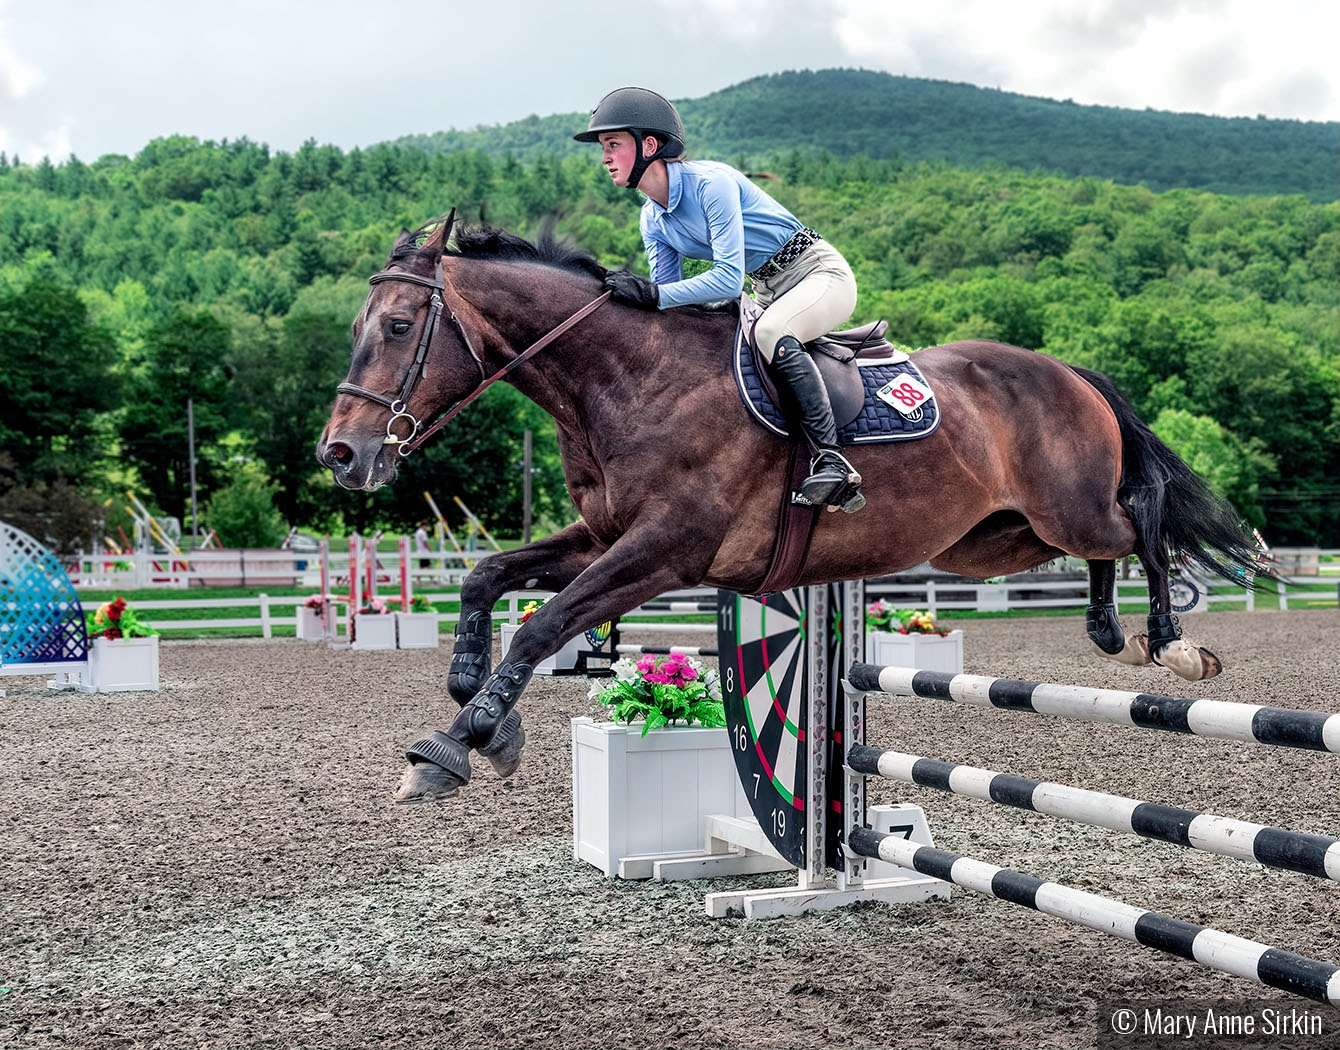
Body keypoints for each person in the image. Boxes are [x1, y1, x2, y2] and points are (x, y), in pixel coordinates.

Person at [574, 86, 864, 513]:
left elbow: (727, 281)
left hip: (819, 274)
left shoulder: (712, 184)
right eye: (604, 147)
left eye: (613, 144)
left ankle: (833, 461)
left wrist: (652, 294)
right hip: (766, 290)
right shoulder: (651, 217)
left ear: (649, 145)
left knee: (771, 332)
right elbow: (668, 305)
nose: (605, 157)